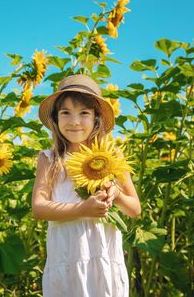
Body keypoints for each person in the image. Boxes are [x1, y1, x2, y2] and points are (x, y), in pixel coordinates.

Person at [32, 74, 141, 296]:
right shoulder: (50, 159)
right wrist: (82, 209)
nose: (74, 121)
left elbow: (134, 209)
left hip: (103, 257)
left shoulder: (112, 156)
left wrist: (116, 193)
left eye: (84, 113)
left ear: (96, 119)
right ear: (56, 118)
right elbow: (39, 207)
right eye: (66, 113)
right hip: (66, 257)